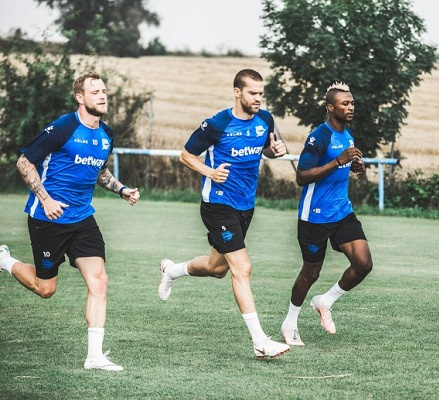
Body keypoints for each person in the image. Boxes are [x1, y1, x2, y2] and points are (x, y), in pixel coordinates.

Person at [0, 71, 140, 371]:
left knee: (99, 281)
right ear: (80, 97)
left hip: (82, 219)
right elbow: (24, 162)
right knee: (45, 288)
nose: (102, 96)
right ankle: (5, 260)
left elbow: (100, 172)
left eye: (104, 90)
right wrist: (45, 199)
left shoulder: (106, 134)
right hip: (48, 218)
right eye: (95, 92)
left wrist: (121, 189)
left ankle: (94, 356)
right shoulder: (64, 127)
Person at [157, 69, 290, 359]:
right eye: (252, 93)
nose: (258, 98)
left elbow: (265, 149)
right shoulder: (217, 124)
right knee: (242, 268)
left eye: (261, 93)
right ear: (237, 92)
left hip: (245, 205)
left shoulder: (265, 119)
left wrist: (274, 150)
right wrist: (210, 172)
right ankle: (260, 342)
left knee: (218, 269)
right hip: (218, 205)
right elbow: (186, 155)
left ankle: (172, 270)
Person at [280, 82, 373, 346]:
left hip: (342, 211)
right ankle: (289, 323)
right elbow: (301, 177)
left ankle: (325, 301)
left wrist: (355, 166)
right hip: (315, 216)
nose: (351, 107)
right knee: (311, 273)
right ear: (331, 108)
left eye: (352, 102)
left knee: (363, 264)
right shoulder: (318, 137)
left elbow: (343, 166)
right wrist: (338, 161)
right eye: (345, 103)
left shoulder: (348, 134)